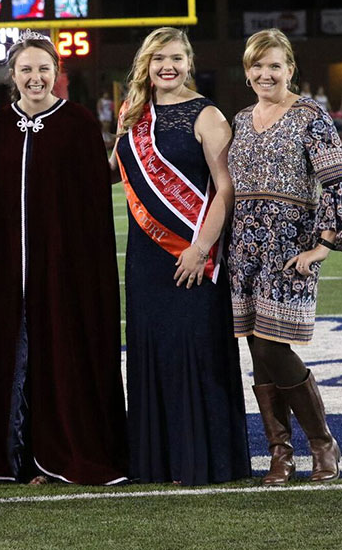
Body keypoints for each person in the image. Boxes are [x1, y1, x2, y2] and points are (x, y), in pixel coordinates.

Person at [0, 31, 129, 485]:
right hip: (4, 270)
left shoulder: (76, 122)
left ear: (56, 74)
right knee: (6, 351)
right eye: (26, 70)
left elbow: (92, 199)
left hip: (61, 268)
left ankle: (58, 453)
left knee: (60, 347)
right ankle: (8, 456)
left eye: (43, 69)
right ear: (12, 76)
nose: (35, 77)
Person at [109, 27, 250, 486]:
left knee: (195, 350)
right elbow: (114, 171)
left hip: (195, 254)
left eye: (175, 58)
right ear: (145, 66)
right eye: (157, 59)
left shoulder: (208, 114)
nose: (166, 66)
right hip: (145, 258)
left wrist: (201, 248)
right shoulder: (132, 114)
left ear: (189, 63)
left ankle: (205, 461)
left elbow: (225, 189)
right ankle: (158, 462)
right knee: (154, 350)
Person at [229, 29, 342, 485]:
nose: (265, 74)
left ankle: (321, 441)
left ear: (290, 69)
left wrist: (323, 245)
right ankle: (280, 454)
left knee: (274, 345)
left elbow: (337, 181)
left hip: (290, 246)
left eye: (275, 65)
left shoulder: (312, 116)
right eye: (257, 66)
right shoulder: (240, 118)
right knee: (256, 347)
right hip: (244, 246)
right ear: (247, 71)